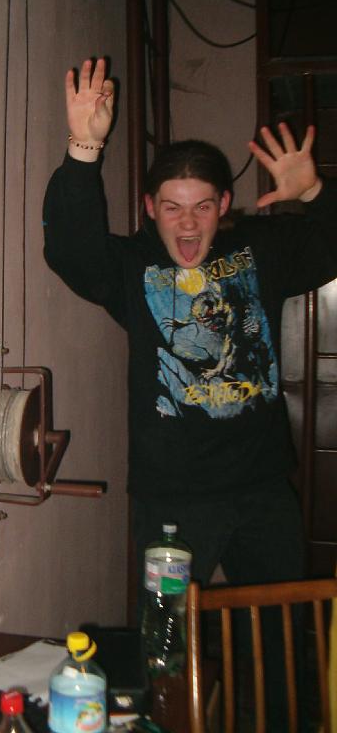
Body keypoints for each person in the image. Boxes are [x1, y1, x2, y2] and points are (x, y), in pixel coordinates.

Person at [42, 57, 337, 731]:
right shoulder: (132, 267)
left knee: (283, 647)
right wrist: (83, 150)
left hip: (264, 493)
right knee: (165, 656)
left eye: (202, 205)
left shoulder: (259, 250)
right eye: (172, 207)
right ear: (150, 209)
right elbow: (71, 252)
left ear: (224, 206)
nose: (187, 224)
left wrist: (316, 190)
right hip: (171, 505)